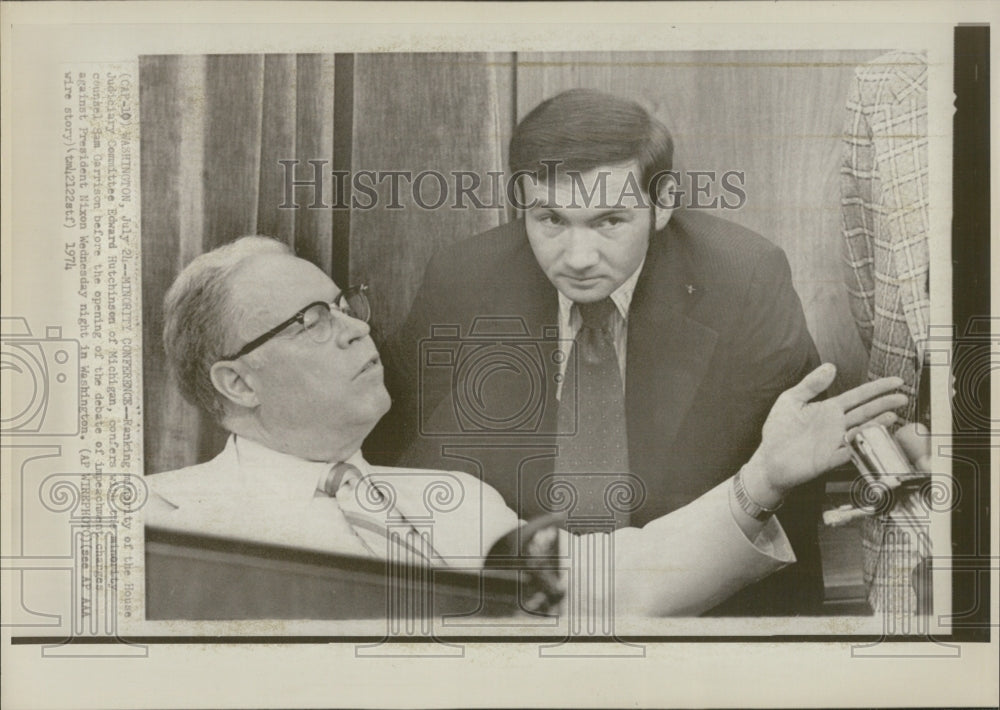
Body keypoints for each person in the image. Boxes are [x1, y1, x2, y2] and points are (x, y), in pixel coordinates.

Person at [145, 236, 906, 617]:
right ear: (235, 380)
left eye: (346, 307)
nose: (353, 331)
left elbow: (617, 585)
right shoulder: (156, 524)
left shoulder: (455, 501)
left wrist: (760, 481)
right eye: (312, 321)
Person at [368, 89, 825, 614]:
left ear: (662, 203)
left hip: (700, 612)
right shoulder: (465, 280)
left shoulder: (742, 280)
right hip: (518, 612)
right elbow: (402, 467)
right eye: (551, 220)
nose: (578, 258)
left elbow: (787, 492)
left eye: (609, 221)